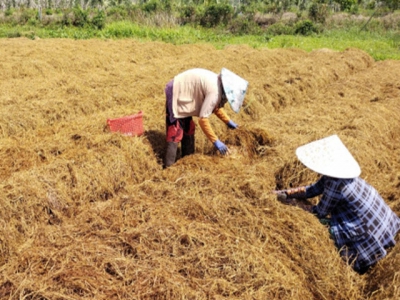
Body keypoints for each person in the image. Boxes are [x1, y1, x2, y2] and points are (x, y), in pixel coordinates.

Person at [273, 135, 400, 274]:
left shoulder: (336, 183)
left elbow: (319, 212)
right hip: (385, 225)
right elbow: (313, 189)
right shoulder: (344, 175)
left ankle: (363, 259)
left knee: (329, 229)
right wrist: (286, 193)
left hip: (369, 232)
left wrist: (291, 204)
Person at [163, 68, 248, 168]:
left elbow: (214, 107)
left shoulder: (218, 85)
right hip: (176, 91)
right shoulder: (215, 92)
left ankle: (188, 160)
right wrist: (216, 141)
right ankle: (168, 168)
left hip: (187, 95)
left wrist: (228, 121)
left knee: (189, 128)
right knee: (175, 131)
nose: (225, 103)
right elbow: (203, 120)